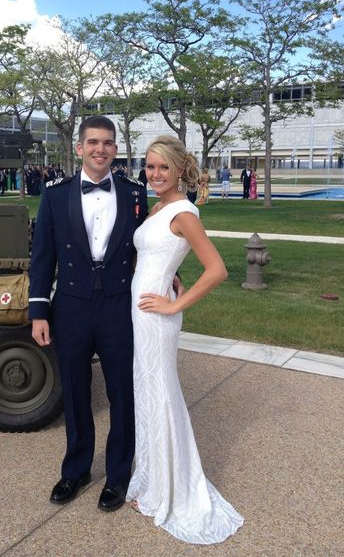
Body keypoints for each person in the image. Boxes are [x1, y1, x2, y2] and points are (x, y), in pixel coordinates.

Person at [127, 135, 244, 544]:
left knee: (160, 395)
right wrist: (168, 274)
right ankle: (154, 480)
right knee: (149, 393)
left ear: (179, 170)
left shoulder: (183, 212)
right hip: (141, 313)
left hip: (158, 319)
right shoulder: (160, 207)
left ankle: (168, 491)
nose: (154, 174)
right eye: (149, 166)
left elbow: (217, 269)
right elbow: (159, 254)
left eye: (162, 167)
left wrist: (176, 305)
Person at [29, 115, 148, 513]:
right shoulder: (55, 194)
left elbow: (145, 246)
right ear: (79, 148)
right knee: (76, 392)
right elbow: (42, 255)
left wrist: (173, 276)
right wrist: (38, 311)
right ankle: (77, 469)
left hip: (119, 305)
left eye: (108, 143)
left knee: (121, 393)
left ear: (116, 149)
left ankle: (117, 475)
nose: (101, 149)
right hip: (71, 307)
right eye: (93, 142)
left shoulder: (134, 192)